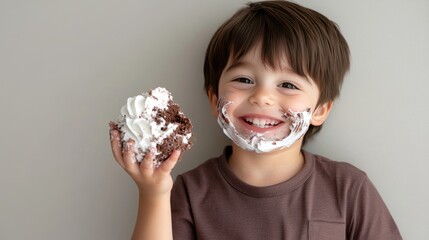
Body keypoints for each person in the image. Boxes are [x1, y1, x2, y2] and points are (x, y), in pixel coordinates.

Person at [110, 1, 402, 239]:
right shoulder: (189, 192)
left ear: (320, 110)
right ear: (214, 101)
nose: (262, 97)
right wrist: (154, 193)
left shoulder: (349, 189)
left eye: (288, 85)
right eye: (244, 79)